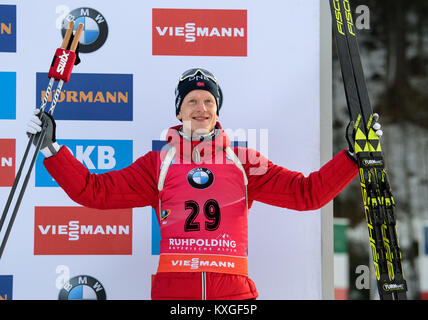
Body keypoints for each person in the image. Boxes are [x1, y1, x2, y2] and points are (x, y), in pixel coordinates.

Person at [27, 68, 382, 300]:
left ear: (217, 111)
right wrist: (52, 150)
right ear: (179, 111)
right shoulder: (158, 163)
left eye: (209, 101)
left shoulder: (245, 162)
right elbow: (93, 191)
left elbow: (308, 194)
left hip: (232, 297)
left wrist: (352, 156)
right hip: (174, 296)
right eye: (192, 100)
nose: (201, 107)